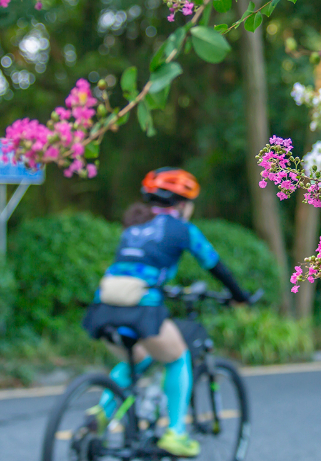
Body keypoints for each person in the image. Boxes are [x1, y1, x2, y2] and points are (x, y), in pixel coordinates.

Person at [81, 167, 252, 458]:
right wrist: (240, 297)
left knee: (139, 357)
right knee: (177, 356)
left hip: (103, 305)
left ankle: (100, 413)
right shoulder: (183, 229)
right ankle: (176, 433)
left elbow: (136, 263)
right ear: (183, 204)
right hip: (140, 307)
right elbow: (215, 265)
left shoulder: (134, 226)